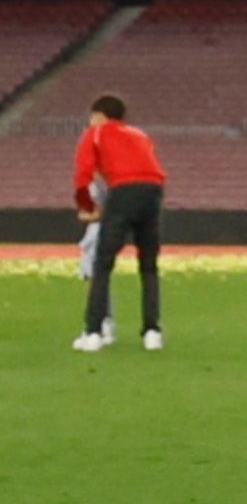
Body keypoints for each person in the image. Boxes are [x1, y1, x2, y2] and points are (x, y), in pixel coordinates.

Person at [72, 93, 167, 352]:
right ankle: (152, 332)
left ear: (100, 115)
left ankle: (93, 332)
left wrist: (88, 208)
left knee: (102, 264)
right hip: (153, 190)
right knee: (148, 265)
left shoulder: (96, 133)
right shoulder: (139, 134)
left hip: (123, 190)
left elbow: (82, 174)